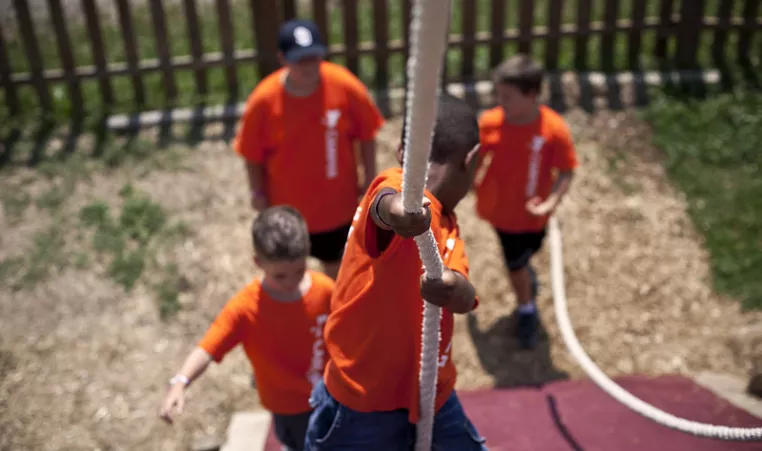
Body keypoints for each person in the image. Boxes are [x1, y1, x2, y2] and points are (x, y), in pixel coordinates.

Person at [304, 93, 487, 450]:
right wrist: (401, 214)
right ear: (472, 160)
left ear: (401, 150)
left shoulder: (449, 227)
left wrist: (454, 288)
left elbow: (465, 294)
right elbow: (383, 205)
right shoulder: (397, 187)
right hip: (363, 401)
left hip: (431, 393)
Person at [158, 206, 334, 451]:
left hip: (331, 395)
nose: (292, 282)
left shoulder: (325, 289)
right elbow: (208, 347)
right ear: (258, 262)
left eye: (299, 270)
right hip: (289, 408)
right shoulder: (245, 308)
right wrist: (180, 381)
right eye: (281, 276)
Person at [233, 18, 385, 280]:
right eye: (299, 59)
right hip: (287, 211)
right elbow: (251, 153)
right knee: (292, 274)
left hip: (336, 208)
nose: (308, 66)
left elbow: (367, 134)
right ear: (282, 59)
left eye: (314, 57)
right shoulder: (264, 101)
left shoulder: (344, 85)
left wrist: (369, 178)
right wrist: (257, 191)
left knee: (336, 269)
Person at [473, 54, 578, 350]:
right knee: (516, 263)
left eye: (507, 96)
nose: (500, 102)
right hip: (502, 215)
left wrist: (550, 204)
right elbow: (474, 162)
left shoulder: (552, 130)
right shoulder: (491, 123)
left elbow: (567, 170)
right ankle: (526, 309)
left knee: (530, 251)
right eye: (498, 95)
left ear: (532, 95)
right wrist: (468, 184)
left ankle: (524, 276)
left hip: (535, 217)